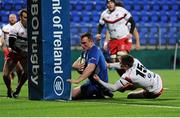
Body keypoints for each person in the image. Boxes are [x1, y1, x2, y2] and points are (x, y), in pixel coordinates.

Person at [96, 0, 140, 76]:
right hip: (113, 40)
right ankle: (124, 77)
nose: (110, 5)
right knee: (114, 60)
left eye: (112, 3)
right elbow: (108, 31)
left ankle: (134, 73)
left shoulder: (123, 15)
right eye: (108, 3)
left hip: (124, 38)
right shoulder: (106, 15)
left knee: (121, 56)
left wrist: (137, 41)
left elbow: (134, 29)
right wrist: (105, 42)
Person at [93, 55, 163, 99]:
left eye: (121, 64)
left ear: (126, 66)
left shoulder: (128, 76)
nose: (120, 64)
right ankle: (142, 87)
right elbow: (121, 65)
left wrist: (99, 80)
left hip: (155, 91)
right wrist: (109, 65)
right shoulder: (135, 60)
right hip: (157, 78)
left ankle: (144, 91)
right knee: (132, 84)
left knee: (129, 95)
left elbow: (113, 88)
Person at [67, 32, 113, 99]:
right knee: (71, 94)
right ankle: (103, 92)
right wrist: (77, 67)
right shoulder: (85, 52)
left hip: (99, 84)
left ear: (91, 42)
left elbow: (90, 68)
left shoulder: (95, 50)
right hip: (92, 82)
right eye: (81, 43)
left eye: (84, 43)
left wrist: (78, 80)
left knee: (72, 96)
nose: (82, 45)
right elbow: (74, 64)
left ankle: (102, 92)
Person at [3, 9, 27, 98]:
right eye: (25, 17)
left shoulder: (33, 27)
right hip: (15, 52)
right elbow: (11, 44)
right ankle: (9, 89)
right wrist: (21, 52)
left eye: (28, 17)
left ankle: (18, 89)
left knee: (28, 72)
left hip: (25, 53)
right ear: (20, 18)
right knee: (5, 75)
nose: (27, 19)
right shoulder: (15, 28)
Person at [2, 13, 23, 82]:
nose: (12, 19)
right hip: (8, 48)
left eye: (13, 17)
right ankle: (12, 74)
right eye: (11, 17)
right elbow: (3, 38)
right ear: (8, 18)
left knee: (18, 67)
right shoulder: (5, 27)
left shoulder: (19, 27)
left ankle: (18, 79)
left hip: (17, 49)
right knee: (10, 65)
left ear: (16, 19)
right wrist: (3, 46)